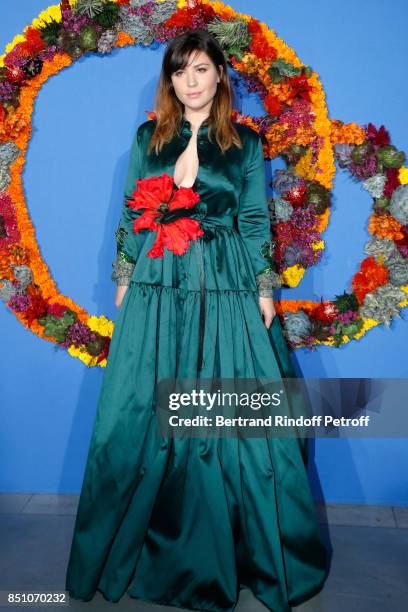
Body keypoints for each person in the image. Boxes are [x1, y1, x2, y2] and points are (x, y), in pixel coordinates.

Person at [65, 29, 329, 612]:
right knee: (143, 414)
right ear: (170, 79)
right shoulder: (146, 138)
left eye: (202, 68)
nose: (192, 80)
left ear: (219, 76)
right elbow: (135, 204)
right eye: (182, 70)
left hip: (227, 282)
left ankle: (243, 549)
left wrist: (265, 289)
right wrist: (125, 271)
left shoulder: (246, 144)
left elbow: (256, 217)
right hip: (161, 284)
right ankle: (154, 546)